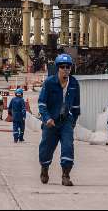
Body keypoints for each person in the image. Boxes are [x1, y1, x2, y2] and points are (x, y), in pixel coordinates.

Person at [38, 53, 81, 187]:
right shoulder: (49, 83)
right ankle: (44, 168)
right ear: (58, 68)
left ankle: (65, 175)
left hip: (66, 121)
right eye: (63, 66)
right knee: (46, 149)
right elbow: (42, 103)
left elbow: (76, 106)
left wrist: (73, 121)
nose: (66, 69)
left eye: (68, 67)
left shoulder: (74, 83)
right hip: (50, 122)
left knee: (68, 146)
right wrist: (47, 118)